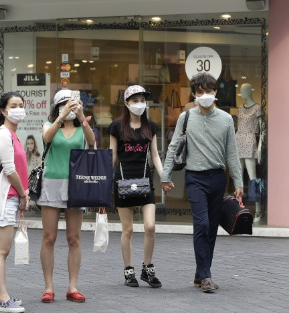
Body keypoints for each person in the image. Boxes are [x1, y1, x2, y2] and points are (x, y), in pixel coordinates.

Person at [160, 73, 243, 293]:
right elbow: (173, 147)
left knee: (212, 228)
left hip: (217, 178)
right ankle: (206, 276)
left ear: (215, 92)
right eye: (199, 92)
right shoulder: (186, 117)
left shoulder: (226, 119)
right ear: (194, 94)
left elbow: (232, 153)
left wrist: (238, 180)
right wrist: (165, 175)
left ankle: (200, 273)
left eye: (208, 91)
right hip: (194, 178)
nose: (204, 95)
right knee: (202, 224)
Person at [37, 89, 95, 303]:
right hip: (51, 183)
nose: (69, 106)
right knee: (49, 237)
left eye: (73, 103)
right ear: (57, 106)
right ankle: (48, 287)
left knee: (74, 238)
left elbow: (91, 142)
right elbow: (46, 137)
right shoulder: (48, 124)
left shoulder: (82, 127)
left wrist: (81, 117)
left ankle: (73, 286)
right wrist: (61, 118)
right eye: (65, 103)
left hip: (76, 184)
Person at [107, 85, 163, 289]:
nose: (140, 104)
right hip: (122, 182)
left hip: (145, 181)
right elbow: (112, 157)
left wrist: (163, 176)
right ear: (127, 103)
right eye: (135, 100)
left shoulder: (151, 127)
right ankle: (128, 270)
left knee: (150, 226)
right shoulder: (116, 127)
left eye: (142, 100)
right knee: (128, 230)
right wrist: (105, 182)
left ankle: (147, 268)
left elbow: (155, 155)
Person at [0, 92, 28, 313]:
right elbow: (10, 170)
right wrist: (23, 194)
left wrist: (23, 193)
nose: (18, 109)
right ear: (3, 110)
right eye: (14, 105)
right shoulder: (3, 134)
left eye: (21, 105)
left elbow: (18, 169)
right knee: (1, 250)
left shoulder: (13, 134)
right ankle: (3, 299)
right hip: (6, 197)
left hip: (11, 195)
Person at [236, 83, 263, 223]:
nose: (241, 93)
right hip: (238, 140)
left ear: (249, 91)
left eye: (243, 90)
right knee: (238, 176)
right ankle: (239, 208)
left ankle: (258, 209)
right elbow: (237, 127)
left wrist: (259, 147)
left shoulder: (258, 108)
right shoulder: (239, 108)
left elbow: (263, 129)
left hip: (250, 140)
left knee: (253, 178)